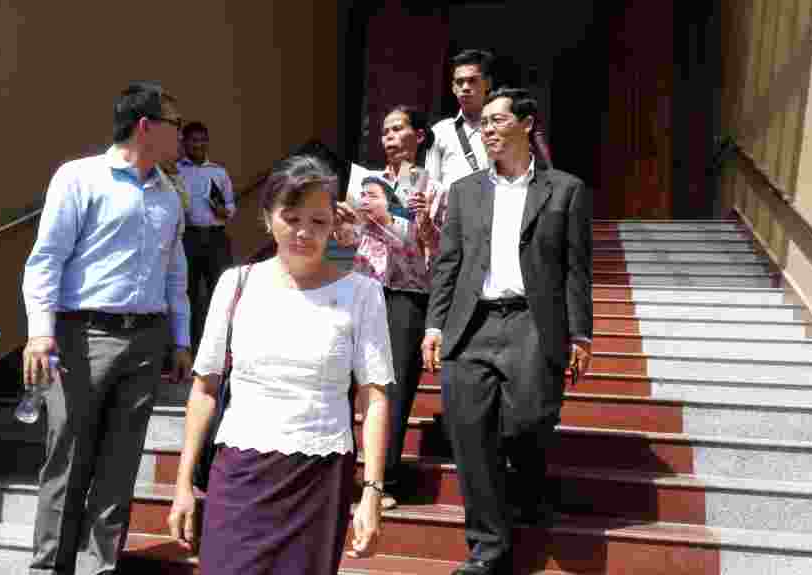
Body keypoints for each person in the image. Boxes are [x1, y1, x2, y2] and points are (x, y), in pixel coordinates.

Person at [167, 155, 393, 575]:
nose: (304, 232)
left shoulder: (363, 294)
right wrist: (183, 484)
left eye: (319, 221)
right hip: (240, 471)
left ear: (335, 224)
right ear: (268, 218)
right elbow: (204, 389)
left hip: (320, 475)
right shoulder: (235, 284)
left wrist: (372, 492)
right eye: (291, 217)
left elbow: (374, 398)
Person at [21, 82, 192, 575]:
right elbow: (46, 260)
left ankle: (100, 568)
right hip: (81, 337)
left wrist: (180, 339)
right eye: (175, 124)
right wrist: (39, 332)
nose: (181, 134)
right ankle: (48, 568)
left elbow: (175, 273)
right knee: (67, 460)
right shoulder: (79, 178)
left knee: (120, 467)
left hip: (146, 339)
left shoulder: (170, 194)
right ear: (146, 125)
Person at [421, 87, 593, 575]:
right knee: (471, 434)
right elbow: (449, 264)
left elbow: (576, 271)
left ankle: (529, 484)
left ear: (527, 123)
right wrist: (434, 324)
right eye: (485, 123)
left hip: (532, 323)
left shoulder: (565, 190)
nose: (488, 129)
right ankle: (487, 548)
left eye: (498, 120)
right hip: (470, 324)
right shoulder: (465, 191)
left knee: (528, 421)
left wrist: (581, 334)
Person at [336, 105, 447, 509]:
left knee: (393, 389)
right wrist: (342, 224)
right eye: (383, 130)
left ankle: (382, 481)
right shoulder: (365, 183)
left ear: (419, 136)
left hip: (409, 293)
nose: (387, 136)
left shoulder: (433, 188)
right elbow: (348, 242)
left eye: (397, 129)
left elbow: (431, 250)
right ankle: (337, 476)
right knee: (346, 381)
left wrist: (391, 219)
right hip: (363, 287)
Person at [177, 121, 235, 355]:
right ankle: (186, 351)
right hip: (187, 238)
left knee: (220, 294)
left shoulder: (219, 172)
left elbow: (230, 205)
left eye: (202, 140)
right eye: (193, 140)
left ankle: (219, 352)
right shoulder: (177, 171)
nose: (198, 144)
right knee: (186, 295)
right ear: (184, 143)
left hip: (215, 238)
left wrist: (224, 211)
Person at [425, 49, 494, 190]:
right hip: (450, 211)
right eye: (459, 82)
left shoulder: (501, 129)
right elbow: (431, 183)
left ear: (487, 83)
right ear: (453, 88)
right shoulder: (440, 131)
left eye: (472, 81)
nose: (465, 87)